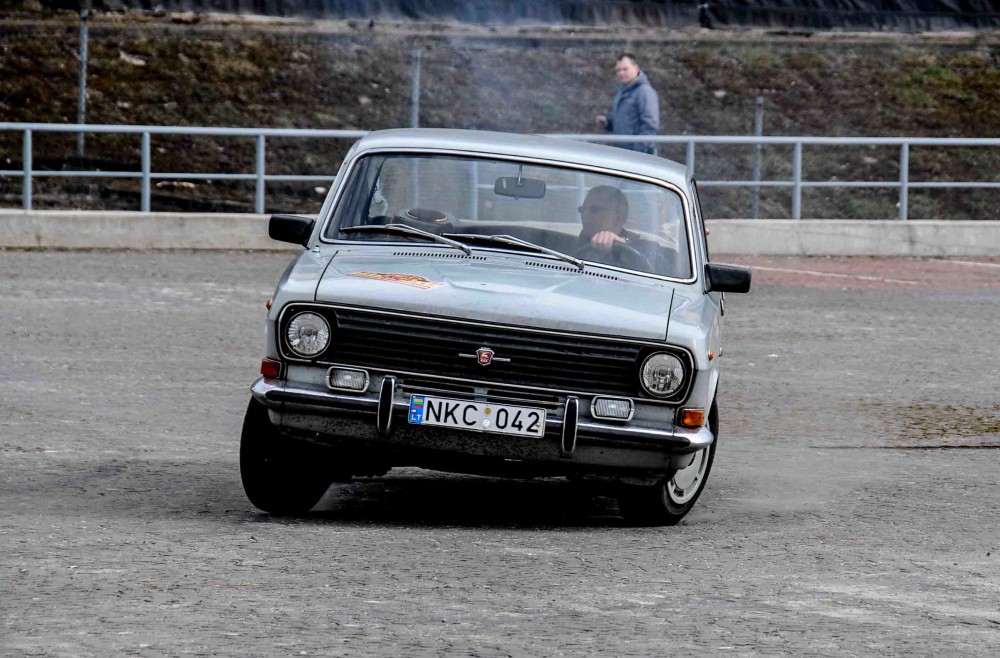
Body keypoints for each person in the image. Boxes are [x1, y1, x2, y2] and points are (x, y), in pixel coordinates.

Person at [576, 185, 660, 272]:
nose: (585, 214)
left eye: (594, 210)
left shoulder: (644, 247)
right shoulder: (583, 240)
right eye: (582, 209)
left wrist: (622, 244)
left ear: (618, 219)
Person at [595, 54, 661, 155]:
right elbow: (626, 123)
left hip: (638, 156)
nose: (621, 73)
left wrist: (637, 152)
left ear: (636, 68)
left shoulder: (644, 92)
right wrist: (608, 123)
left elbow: (650, 127)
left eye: (625, 69)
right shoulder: (622, 91)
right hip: (624, 154)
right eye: (618, 70)